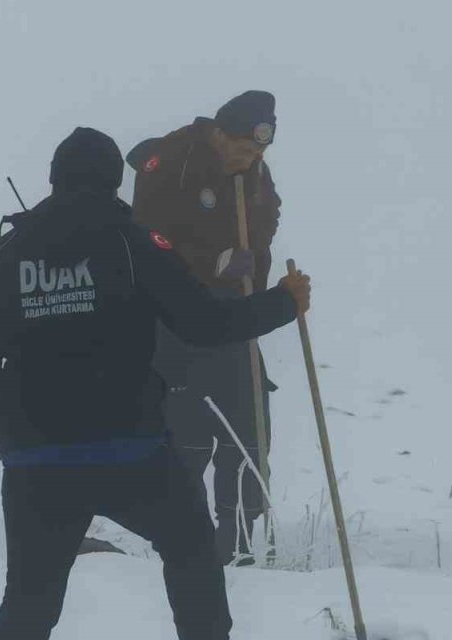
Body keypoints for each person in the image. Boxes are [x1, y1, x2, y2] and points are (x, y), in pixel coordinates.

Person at [0, 126, 312, 640]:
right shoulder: (130, 242)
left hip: (39, 464)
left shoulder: (6, 253)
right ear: (112, 180)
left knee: (30, 598)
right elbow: (204, 324)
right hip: (133, 454)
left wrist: (8, 432)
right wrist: (283, 302)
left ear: (54, 178)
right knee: (192, 554)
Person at [125, 90, 282, 565]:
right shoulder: (172, 159)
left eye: (259, 151)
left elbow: (269, 213)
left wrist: (257, 263)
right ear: (220, 132)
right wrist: (212, 263)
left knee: (249, 426)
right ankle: (186, 539)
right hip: (180, 321)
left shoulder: (254, 169)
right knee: (188, 434)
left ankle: (239, 538)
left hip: (236, 315)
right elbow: (146, 236)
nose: (251, 158)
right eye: (244, 147)